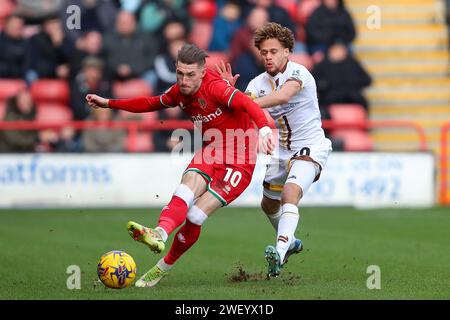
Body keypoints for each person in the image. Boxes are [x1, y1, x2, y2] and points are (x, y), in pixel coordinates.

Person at [85, 43, 275, 287]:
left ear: (203, 72)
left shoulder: (216, 88)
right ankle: (160, 233)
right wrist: (109, 103)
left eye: (190, 74)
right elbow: (151, 103)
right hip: (213, 151)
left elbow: (249, 105)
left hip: (240, 162)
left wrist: (266, 129)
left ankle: (162, 267)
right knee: (187, 186)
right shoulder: (179, 91)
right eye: (180, 73)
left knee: (195, 216)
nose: (184, 80)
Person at [216, 22, 332, 277]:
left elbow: (283, 96)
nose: (268, 56)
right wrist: (229, 94)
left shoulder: (299, 73)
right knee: (268, 204)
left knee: (290, 193)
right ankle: (290, 241)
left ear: (287, 51)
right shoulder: (257, 83)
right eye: (264, 52)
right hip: (280, 151)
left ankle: (279, 252)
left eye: (274, 51)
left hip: (310, 146)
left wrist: (244, 100)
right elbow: (240, 109)